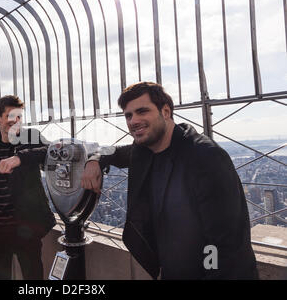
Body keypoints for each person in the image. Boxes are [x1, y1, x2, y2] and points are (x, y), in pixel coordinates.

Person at [81, 81, 258, 280]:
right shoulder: (144, 150)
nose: (133, 121)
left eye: (142, 111)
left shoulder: (205, 157)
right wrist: (94, 160)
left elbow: (224, 244)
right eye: (128, 115)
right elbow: (112, 152)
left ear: (165, 111)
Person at [0, 95, 55, 280]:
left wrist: (21, 157)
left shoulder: (31, 136)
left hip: (26, 231)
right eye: (11, 116)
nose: (16, 121)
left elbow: (53, 152)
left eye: (19, 116)